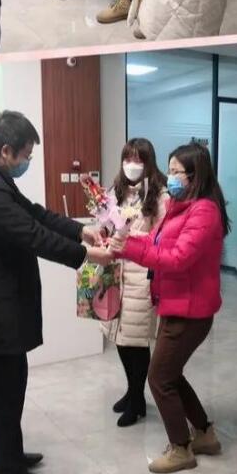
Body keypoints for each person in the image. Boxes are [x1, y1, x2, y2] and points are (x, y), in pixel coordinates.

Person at [0, 111, 109, 474]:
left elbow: (35, 214)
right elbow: (33, 235)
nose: (27, 161)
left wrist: (80, 231)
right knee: (3, 393)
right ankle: (7, 471)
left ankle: (8, 452)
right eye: (26, 154)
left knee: (10, 387)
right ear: (6, 151)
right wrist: (87, 255)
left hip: (2, 311)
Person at [107, 142, 227, 474]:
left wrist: (129, 250)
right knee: (170, 374)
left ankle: (181, 449)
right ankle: (204, 433)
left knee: (159, 378)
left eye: (176, 172)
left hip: (190, 311)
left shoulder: (204, 211)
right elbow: (155, 242)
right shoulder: (179, 206)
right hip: (175, 304)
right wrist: (124, 242)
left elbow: (177, 259)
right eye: (170, 170)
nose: (170, 177)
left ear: (194, 175)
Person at [94, 139, 168, 427]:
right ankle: (131, 391)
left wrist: (128, 237)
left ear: (149, 162)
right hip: (116, 273)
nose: (131, 165)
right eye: (127, 159)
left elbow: (160, 237)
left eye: (138, 159)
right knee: (120, 338)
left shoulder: (159, 196)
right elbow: (108, 225)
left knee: (136, 340)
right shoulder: (117, 191)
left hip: (140, 276)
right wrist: (103, 228)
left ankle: (137, 399)